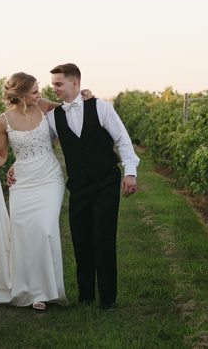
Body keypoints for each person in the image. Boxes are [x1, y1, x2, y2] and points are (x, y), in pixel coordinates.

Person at [11, 63, 139, 310]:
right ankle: (86, 297)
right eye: (52, 85)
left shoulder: (100, 107)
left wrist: (130, 173)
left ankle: (108, 300)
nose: (54, 89)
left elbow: (123, 140)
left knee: (103, 239)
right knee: (81, 241)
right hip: (78, 187)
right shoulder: (52, 117)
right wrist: (18, 165)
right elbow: (36, 145)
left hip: (105, 182)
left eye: (58, 84)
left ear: (75, 83)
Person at [0, 72, 76, 310]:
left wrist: (85, 95)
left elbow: (71, 107)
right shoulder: (2, 121)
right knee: (22, 233)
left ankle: (47, 290)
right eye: (34, 91)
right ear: (21, 95)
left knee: (45, 229)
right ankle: (31, 293)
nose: (38, 94)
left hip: (49, 178)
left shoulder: (44, 107)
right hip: (22, 182)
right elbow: (1, 155)